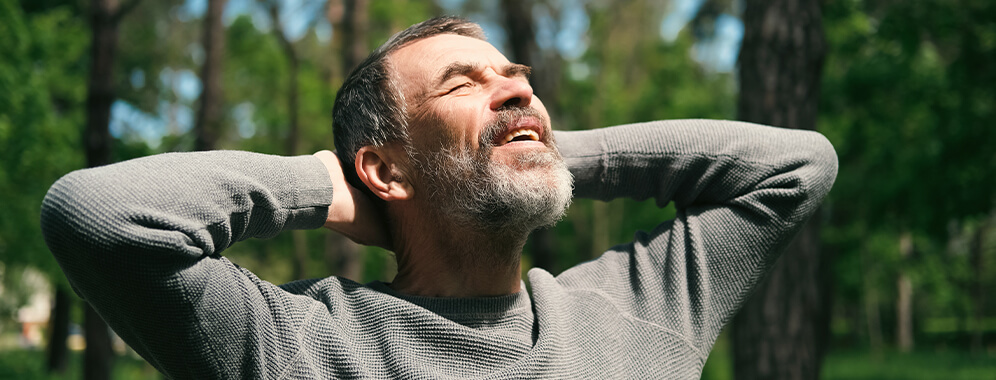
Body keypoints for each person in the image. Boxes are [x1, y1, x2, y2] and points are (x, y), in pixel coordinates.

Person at [41, 16, 837, 379]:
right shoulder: (298, 346)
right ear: (384, 169)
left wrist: (540, 155)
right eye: (466, 85)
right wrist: (329, 188)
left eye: (520, 82)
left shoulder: (639, 310)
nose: (514, 93)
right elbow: (99, 216)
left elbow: (797, 165)